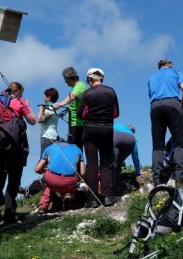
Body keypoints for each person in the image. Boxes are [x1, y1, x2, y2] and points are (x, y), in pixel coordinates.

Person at [0, 81, 36, 226]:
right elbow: (32, 120)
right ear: (19, 91)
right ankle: (9, 214)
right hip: (16, 144)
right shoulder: (20, 102)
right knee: (14, 179)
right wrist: (25, 105)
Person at [77, 67, 120, 207]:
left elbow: (80, 115)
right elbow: (116, 113)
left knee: (92, 164)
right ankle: (108, 197)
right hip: (107, 129)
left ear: (90, 79)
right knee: (106, 163)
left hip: (90, 130)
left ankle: (92, 199)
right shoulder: (111, 91)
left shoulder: (87, 93)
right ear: (101, 78)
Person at [148, 58, 183, 187]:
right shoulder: (175, 72)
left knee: (157, 144)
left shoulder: (152, 77)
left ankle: (157, 179)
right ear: (170, 65)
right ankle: (180, 176)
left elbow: (150, 95)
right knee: (178, 141)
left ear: (159, 67)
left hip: (155, 107)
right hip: (173, 104)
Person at [33, 141, 85, 213]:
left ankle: (43, 205)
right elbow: (82, 173)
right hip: (69, 182)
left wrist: (44, 171)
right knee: (68, 184)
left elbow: (37, 169)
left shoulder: (50, 148)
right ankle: (68, 194)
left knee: (49, 186)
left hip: (52, 180)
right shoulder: (78, 149)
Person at [53, 67, 88, 149]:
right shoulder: (77, 87)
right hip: (75, 123)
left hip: (77, 124)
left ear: (68, 77)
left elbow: (72, 97)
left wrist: (60, 104)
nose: (65, 81)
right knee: (74, 148)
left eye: (65, 79)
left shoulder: (79, 87)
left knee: (75, 149)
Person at [37, 87, 60, 152]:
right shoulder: (55, 108)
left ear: (49, 97)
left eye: (45, 97)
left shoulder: (50, 107)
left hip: (47, 137)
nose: (44, 99)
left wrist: (41, 110)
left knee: (44, 156)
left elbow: (40, 119)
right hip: (53, 136)